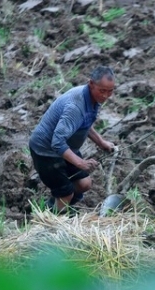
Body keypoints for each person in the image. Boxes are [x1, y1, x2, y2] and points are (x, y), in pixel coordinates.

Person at [29, 66, 116, 214]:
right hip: (46, 151)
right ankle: (54, 221)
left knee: (84, 184)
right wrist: (81, 163)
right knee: (66, 193)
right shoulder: (76, 107)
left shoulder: (91, 98)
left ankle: (53, 206)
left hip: (66, 147)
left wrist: (101, 143)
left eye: (110, 91)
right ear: (91, 84)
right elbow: (57, 143)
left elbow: (85, 124)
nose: (106, 96)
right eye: (102, 91)